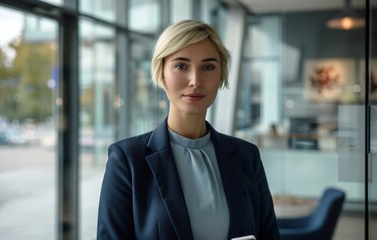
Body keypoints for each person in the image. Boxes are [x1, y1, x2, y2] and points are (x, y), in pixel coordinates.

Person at [97, 19, 281, 240]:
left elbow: (269, 235)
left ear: (221, 75)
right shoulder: (128, 160)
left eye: (208, 67)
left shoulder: (246, 155)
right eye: (181, 66)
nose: (195, 80)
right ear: (161, 72)